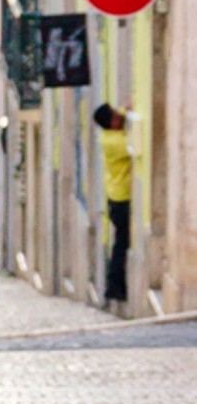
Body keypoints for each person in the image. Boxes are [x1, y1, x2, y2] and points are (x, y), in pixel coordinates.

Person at [93, 102, 132, 306]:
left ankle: (115, 287)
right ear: (112, 122)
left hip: (117, 198)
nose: (120, 115)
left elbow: (122, 118)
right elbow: (134, 144)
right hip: (121, 199)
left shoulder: (109, 136)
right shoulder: (115, 142)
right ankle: (114, 287)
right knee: (122, 245)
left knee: (121, 243)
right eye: (116, 115)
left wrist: (126, 110)